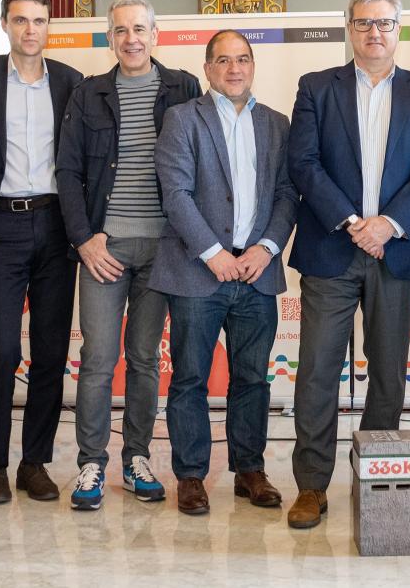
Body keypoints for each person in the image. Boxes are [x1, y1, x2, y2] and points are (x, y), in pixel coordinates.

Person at [286, 0, 410, 529]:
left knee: (387, 375)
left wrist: (387, 225)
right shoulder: (315, 88)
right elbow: (303, 164)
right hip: (332, 247)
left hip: (395, 250)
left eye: (384, 23)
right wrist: (355, 224)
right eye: (363, 23)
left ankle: (377, 480)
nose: (374, 32)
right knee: (316, 372)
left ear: (399, 28)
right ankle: (311, 487)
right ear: (348, 29)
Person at [56, 0, 200, 509]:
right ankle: (91, 465)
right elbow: (68, 171)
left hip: (165, 249)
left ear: (155, 33)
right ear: (109, 37)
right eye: (121, 30)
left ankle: (136, 458)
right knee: (97, 358)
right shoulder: (87, 93)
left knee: (143, 358)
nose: (131, 38)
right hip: (104, 248)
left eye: (140, 28)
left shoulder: (184, 87)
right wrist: (84, 238)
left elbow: (198, 166)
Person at [152, 29, 298, 515]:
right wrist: (213, 252)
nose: (234, 69)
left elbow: (286, 196)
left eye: (243, 59)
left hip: (257, 271)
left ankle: (250, 470)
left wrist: (267, 248)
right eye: (223, 61)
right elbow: (175, 193)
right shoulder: (182, 119)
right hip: (199, 271)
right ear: (208, 68)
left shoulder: (277, 124)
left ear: (252, 66)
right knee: (191, 377)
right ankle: (191, 476)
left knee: (252, 377)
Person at [0, 0, 83, 504]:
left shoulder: (71, 83)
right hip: (2, 226)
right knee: (4, 349)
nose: (30, 29)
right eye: (20, 20)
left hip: (57, 224)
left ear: (48, 26)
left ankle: (34, 463)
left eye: (39, 20)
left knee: (51, 350)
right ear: (5, 24)